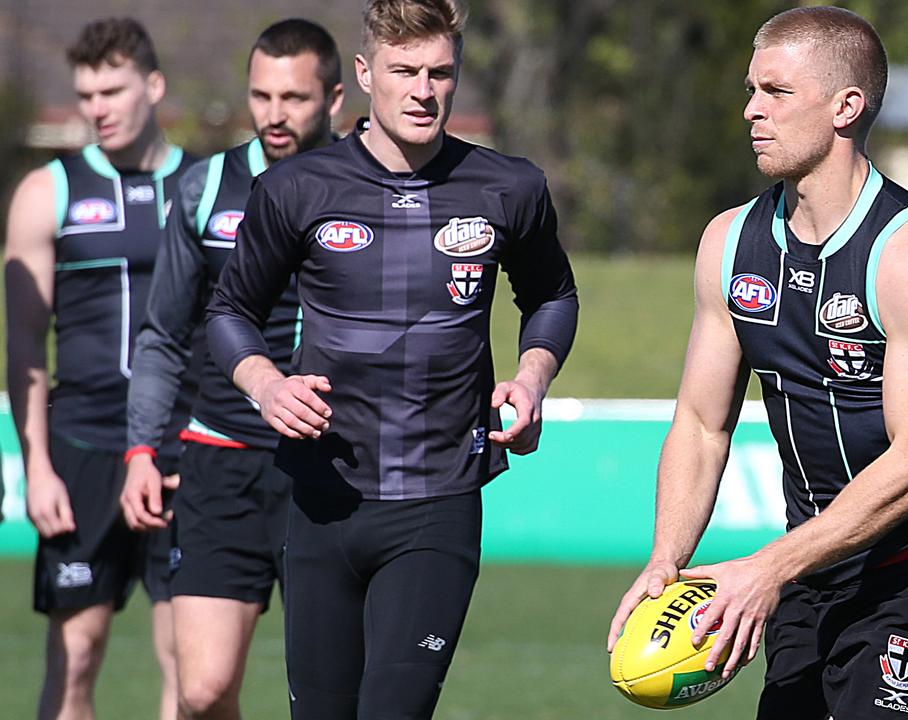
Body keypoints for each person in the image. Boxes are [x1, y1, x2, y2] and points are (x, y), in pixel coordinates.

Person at [606, 8, 908, 719]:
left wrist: (767, 567)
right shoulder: (729, 243)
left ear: (845, 107)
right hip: (814, 565)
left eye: (775, 92)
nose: (750, 111)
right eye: (750, 90)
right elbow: (703, 424)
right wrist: (666, 561)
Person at [204, 1, 578, 717]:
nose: (423, 90)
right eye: (405, 71)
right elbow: (230, 313)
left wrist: (532, 378)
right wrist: (266, 385)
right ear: (366, 73)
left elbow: (553, 297)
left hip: (438, 502)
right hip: (321, 499)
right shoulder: (295, 188)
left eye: (440, 72)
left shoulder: (510, 187)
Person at [118, 19, 344, 719]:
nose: (275, 115)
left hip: (331, 464)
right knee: (202, 690)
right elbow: (163, 332)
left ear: (335, 98)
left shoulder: (366, 186)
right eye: (261, 96)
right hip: (219, 459)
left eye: (295, 98)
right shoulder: (203, 187)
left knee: (337, 697)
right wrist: (142, 450)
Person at [4, 17, 199, 720]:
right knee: (76, 656)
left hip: (183, 447)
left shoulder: (205, 187)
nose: (98, 108)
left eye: (112, 90)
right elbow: (23, 344)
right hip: (82, 446)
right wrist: (37, 466)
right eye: (86, 94)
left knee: (192, 666)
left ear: (153, 86)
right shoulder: (45, 192)